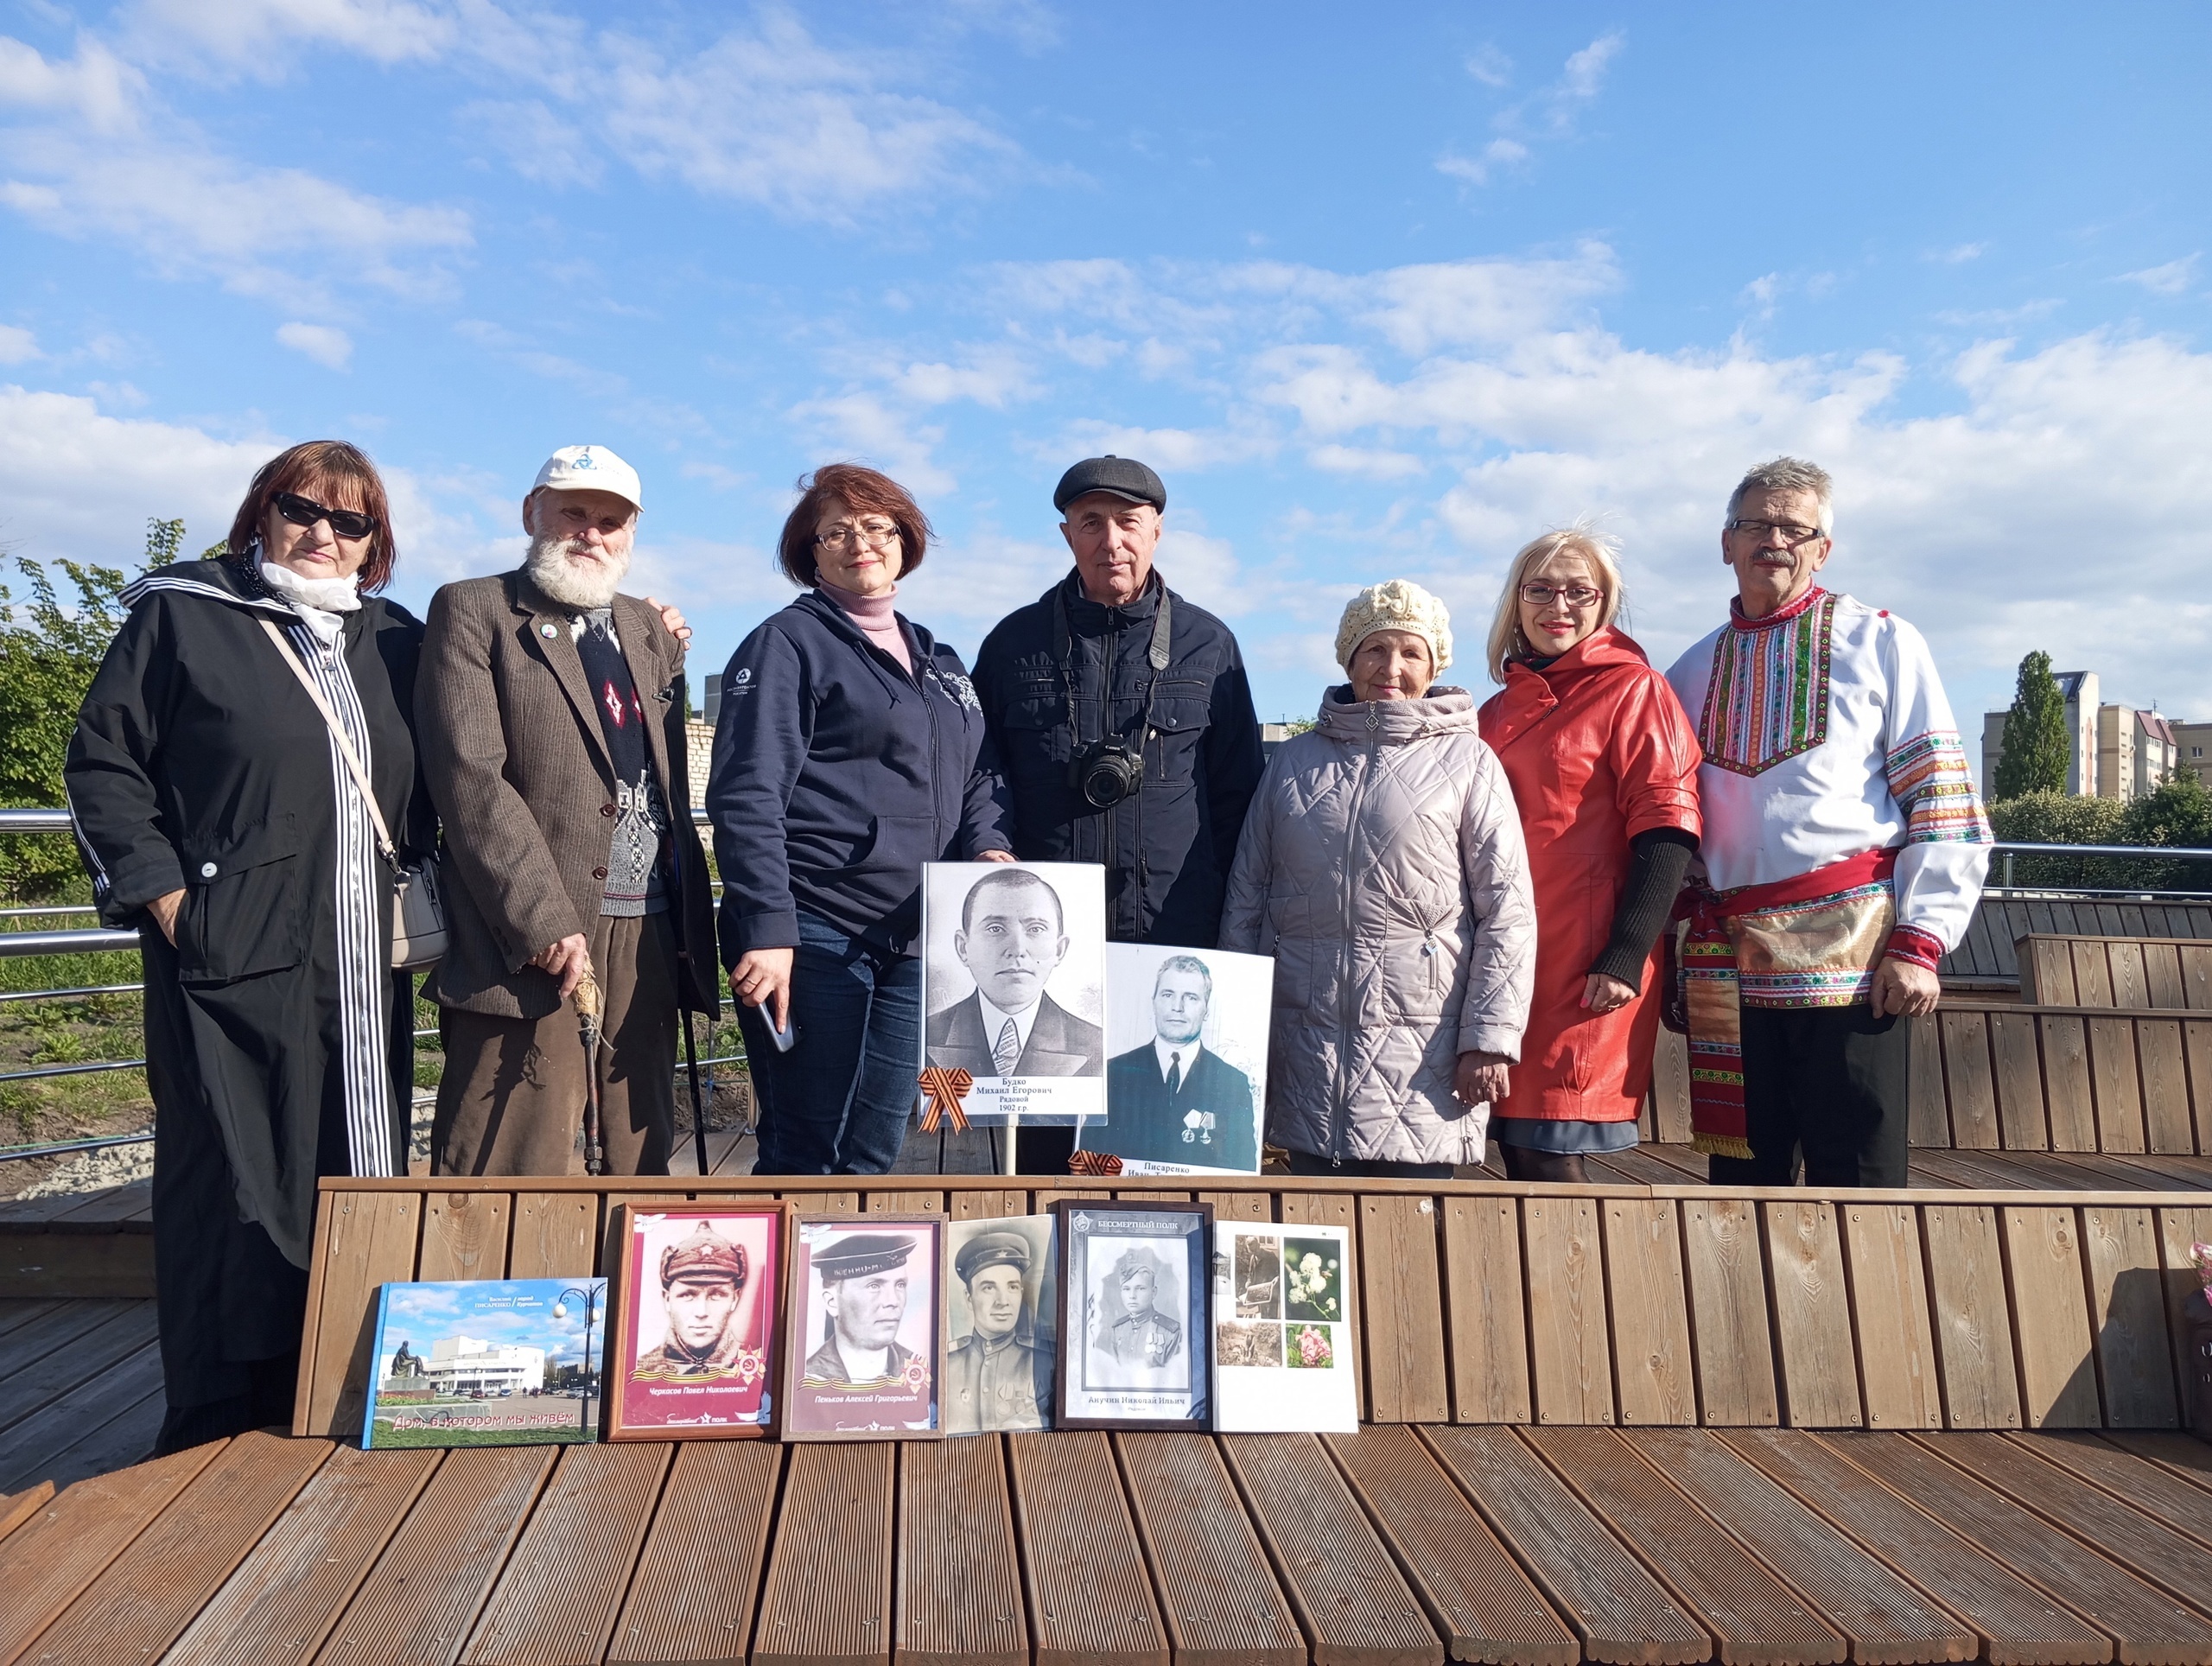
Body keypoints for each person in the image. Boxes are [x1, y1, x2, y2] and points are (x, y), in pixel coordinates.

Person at [67, 440, 429, 1453]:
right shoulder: (184, 614)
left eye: (350, 521)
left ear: (375, 543)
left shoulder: (392, 638)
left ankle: (333, 1383)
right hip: (229, 950)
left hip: (360, 961)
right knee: (229, 1170)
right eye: (301, 509)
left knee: (356, 1153)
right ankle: (220, 1411)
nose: (324, 533)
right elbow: (103, 761)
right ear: (259, 514)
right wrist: (170, 900)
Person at [1666, 458, 1992, 1186]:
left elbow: (1939, 796)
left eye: (1794, 527)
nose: (1774, 539)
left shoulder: (1881, 641)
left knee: (1861, 1185)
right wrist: (1667, 941)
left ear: (1822, 548)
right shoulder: (1686, 673)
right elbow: (1671, 825)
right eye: (1756, 524)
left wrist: (1922, 938)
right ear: (1727, 543)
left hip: (1856, 964)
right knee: (1740, 1187)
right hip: (1729, 965)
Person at [418, 446, 718, 1179]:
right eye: (573, 513)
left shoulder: (646, 628)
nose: (592, 532)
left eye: (611, 521)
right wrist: (541, 918)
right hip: (533, 927)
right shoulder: (474, 608)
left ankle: (624, 1291)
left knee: (636, 1148)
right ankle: (498, 1294)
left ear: (631, 534)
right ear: (532, 513)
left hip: (647, 925)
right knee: (514, 1150)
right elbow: (471, 780)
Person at [711, 465, 1015, 1175]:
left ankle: (852, 1287)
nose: (860, 543)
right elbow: (746, 793)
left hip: (916, 940)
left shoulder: (939, 658)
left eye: (877, 527)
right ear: (810, 552)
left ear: (905, 540)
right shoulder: (786, 644)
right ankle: (783, 1286)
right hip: (816, 930)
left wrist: (990, 847)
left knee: (877, 1149)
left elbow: (978, 773)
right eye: (837, 531)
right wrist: (768, 931)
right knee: (804, 1147)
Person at [972, 455, 1264, 1171]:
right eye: (1092, 523)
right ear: (1066, 534)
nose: (1113, 541)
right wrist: (987, 848)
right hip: (1045, 953)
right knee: (1035, 1159)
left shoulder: (1210, 645)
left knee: (1158, 1160)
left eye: (1129, 523)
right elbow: (981, 777)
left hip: (1172, 939)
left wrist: (1238, 934)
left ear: (1157, 531)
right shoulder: (1012, 646)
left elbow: (1239, 797)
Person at [1220, 580, 1536, 1175]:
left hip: (1426, 1057)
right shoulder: (1293, 762)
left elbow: (1507, 912)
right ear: (1348, 658)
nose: (1391, 668)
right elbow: (1247, 897)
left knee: (1412, 1245)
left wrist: (1489, 1039)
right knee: (1312, 1246)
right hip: (1304, 1048)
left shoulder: (1470, 763)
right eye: (1374, 650)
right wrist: (1230, 1028)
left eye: (1411, 652)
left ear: (1434, 663)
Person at [1477, 529, 1702, 1181]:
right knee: (1516, 1142)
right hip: (1509, 958)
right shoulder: (1494, 711)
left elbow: (1668, 828)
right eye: (1540, 589)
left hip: (1587, 957)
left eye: (1580, 591)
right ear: (1516, 603)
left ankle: (1574, 1287)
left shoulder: (1635, 690)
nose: (1559, 606)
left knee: (1552, 1147)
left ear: (1605, 603)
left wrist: (1626, 953)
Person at [925, 867, 1103, 1077]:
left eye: (1036, 929)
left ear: (1059, 949)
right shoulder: (928, 1033)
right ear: (963, 947)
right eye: (995, 928)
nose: (1017, 949)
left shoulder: (1095, 1043)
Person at [1100, 954, 1256, 1169]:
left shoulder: (1232, 1082)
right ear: (1153, 1003)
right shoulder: (1112, 1073)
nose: (1177, 1007)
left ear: (1206, 1010)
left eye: (1191, 997)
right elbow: (1092, 1162)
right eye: (1167, 995)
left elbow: (1242, 1166)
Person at [944, 1229, 1047, 1432]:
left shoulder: (1044, 1360)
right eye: (989, 1288)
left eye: (1012, 1287)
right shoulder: (946, 1364)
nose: (1002, 1302)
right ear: (968, 1298)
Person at [803, 1233, 922, 1387]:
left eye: (900, 1285)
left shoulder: (919, 1368)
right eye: (874, 1286)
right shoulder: (810, 1377)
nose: (893, 1301)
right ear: (832, 1302)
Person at [634, 1222, 751, 1377]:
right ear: (667, 1299)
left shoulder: (754, 1364)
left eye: (716, 1295)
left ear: (735, 1298)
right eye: (687, 1295)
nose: (701, 1312)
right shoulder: (642, 1370)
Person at [1095, 1246, 1182, 1369]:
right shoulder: (1118, 1328)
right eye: (1126, 1289)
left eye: (1140, 1288)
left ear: (1153, 1292)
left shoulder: (1170, 1331)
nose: (1132, 1296)